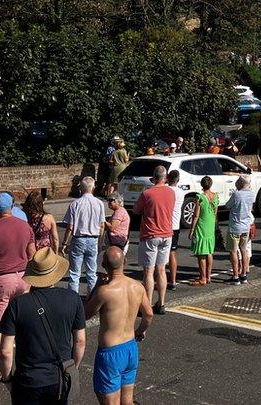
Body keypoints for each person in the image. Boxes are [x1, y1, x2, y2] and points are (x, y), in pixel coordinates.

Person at [0, 248, 86, 405]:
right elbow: (80, 342)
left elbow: (5, 351)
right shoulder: (73, 299)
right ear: (55, 274)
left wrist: (7, 379)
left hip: (28, 380)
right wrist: (73, 368)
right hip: (60, 377)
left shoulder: (18, 304)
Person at [84, 247, 153, 405]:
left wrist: (96, 286)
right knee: (127, 401)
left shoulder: (104, 292)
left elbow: (85, 315)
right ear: (125, 262)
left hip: (110, 352)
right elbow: (148, 314)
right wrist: (140, 331)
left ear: (103, 265)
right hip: (130, 347)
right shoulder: (137, 286)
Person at [0, 192, 36, 381]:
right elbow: (32, 255)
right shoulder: (25, 227)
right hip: (22, 278)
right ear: (12, 207)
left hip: (0, 279)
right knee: (21, 323)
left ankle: (0, 370)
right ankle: (22, 363)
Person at [133, 165, 175, 314]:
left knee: (149, 272)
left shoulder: (147, 194)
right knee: (162, 270)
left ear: (154, 177)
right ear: (166, 177)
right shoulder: (171, 192)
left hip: (151, 233)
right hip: (167, 233)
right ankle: (162, 303)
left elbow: (136, 210)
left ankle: (147, 305)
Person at [60, 177, 104, 296]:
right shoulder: (99, 204)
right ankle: (92, 299)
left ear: (80, 188)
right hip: (93, 239)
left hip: (78, 239)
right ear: (93, 187)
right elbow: (102, 225)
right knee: (91, 272)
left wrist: (64, 243)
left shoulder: (75, 204)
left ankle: (73, 299)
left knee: (74, 273)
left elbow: (70, 227)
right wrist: (100, 242)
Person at [225, 176, 256, 284]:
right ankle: (243, 274)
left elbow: (228, 205)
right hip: (245, 225)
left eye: (238, 181)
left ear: (241, 183)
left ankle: (235, 276)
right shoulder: (252, 194)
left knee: (233, 251)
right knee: (244, 250)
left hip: (235, 226)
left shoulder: (236, 194)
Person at [189, 177, 218, 283]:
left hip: (201, 226)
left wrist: (192, 229)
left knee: (201, 253)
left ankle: (203, 278)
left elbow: (196, 215)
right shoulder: (215, 196)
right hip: (210, 226)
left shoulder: (200, 197)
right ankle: (208, 276)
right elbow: (215, 213)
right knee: (209, 252)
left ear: (202, 185)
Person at [166, 170, 186, 292]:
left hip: (165, 225)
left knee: (162, 254)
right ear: (178, 180)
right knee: (173, 253)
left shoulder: (166, 190)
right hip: (175, 225)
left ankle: (161, 278)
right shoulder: (181, 192)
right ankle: (173, 281)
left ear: (168, 178)